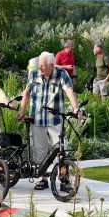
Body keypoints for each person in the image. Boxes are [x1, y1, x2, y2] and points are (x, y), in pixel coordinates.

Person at [18, 52, 80, 191]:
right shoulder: (34, 75)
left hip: (55, 119)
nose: (40, 68)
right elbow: (26, 93)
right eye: (39, 65)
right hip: (37, 119)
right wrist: (22, 111)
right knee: (40, 150)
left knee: (62, 149)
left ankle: (64, 180)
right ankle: (43, 179)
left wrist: (76, 109)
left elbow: (69, 90)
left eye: (43, 66)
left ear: (51, 66)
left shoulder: (61, 74)